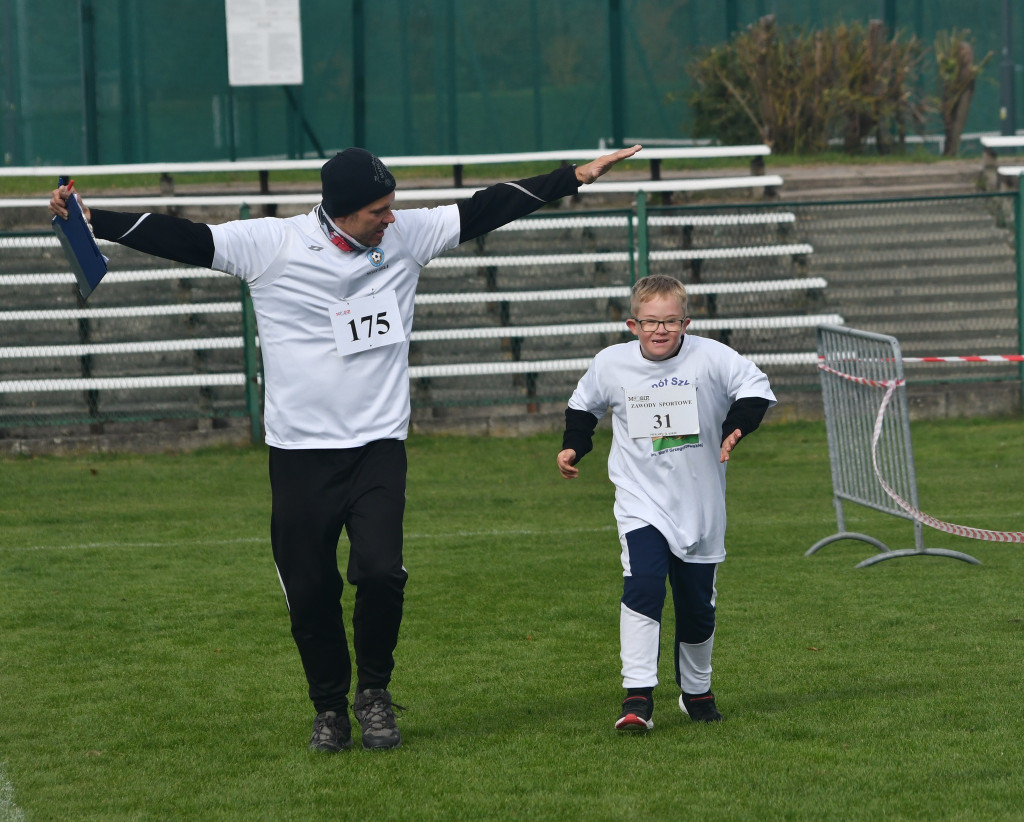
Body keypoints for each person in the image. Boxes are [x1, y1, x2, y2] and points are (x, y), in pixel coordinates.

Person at [50, 143, 642, 752]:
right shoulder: (272, 244)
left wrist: (573, 177)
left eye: (392, 206)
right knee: (310, 591)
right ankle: (329, 708)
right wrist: (95, 220)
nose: (391, 218)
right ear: (340, 211)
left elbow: (487, 208)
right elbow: (186, 238)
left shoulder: (405, 235)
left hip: (378, 447)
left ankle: (374, 694)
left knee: (382, 572)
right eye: (378, 211)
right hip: (300, 454)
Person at [555, 273, 775, 731]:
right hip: (641, 502)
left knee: (697, 607)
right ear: (633, 325)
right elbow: (583, 407)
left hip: (700, 506)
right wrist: (573, 446)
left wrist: (735, 426)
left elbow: (756, 388)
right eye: (651, 322)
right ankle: (637, 698)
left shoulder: (712, 356)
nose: (660, 330)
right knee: (643, 588)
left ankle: (697, 693)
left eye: (671, 321)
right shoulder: (611, 363)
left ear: (685, 323)